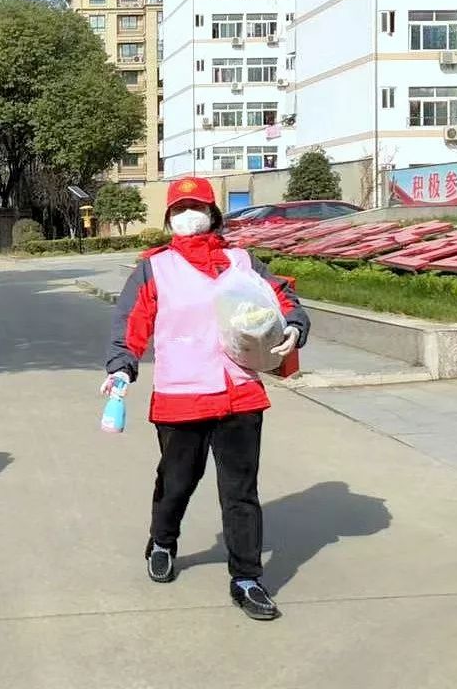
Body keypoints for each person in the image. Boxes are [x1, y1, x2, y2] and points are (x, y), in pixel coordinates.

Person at [102, 176, 309, 621]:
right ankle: (163, 540)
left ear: (213, 215)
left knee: (240, 492)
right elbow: (131, 322)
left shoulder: (242, 261)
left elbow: (283, 299)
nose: (187, 215)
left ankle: (247, 578)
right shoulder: (155, 268)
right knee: (177, 481)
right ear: (169, 218)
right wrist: (122, 367)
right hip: (183, 394)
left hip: (240, 393)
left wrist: (293, 326)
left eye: (196, 207)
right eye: (179, 209)